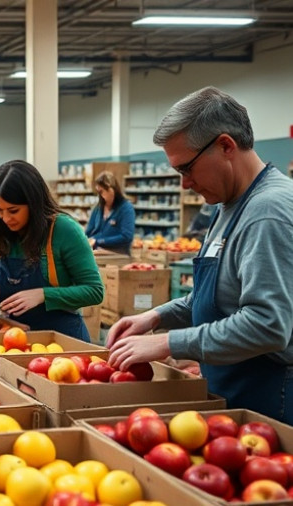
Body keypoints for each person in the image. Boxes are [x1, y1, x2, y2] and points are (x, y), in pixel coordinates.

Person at [106, 87, 293, 423]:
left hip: (268, 398)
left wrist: (169, 343)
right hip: (234, 391)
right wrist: (155, 317)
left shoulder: (267, 212)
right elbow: (213, 297)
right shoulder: (228, 205)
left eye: (186, 168)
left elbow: (268, 326)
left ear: (225, 146)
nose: (185, 184)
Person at [0, 160, 104, 341]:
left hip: (63, 340)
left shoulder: (64, 230)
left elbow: (94, 291)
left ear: (33, 204)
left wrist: (43, 295)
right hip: (16, 338)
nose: (6, 218)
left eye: (13, 210)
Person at [85, 171, 136, 255]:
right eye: (98, 192)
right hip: (97, 253)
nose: (100, 196)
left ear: (112, 189)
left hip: (117, 256)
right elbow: (88, 231)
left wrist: (99, 241)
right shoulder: (98, 208)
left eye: (102, 191)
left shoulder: (126, 208)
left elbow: (126, 237)